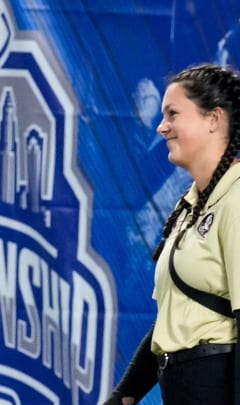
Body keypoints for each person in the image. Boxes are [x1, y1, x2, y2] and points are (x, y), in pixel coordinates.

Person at [105, 63, 240, 404]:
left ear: (214, 119)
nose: (162, 127)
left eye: (173, 114)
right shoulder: (190, 205)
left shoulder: (237, 199)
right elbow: (174, 323)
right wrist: (123, 396)